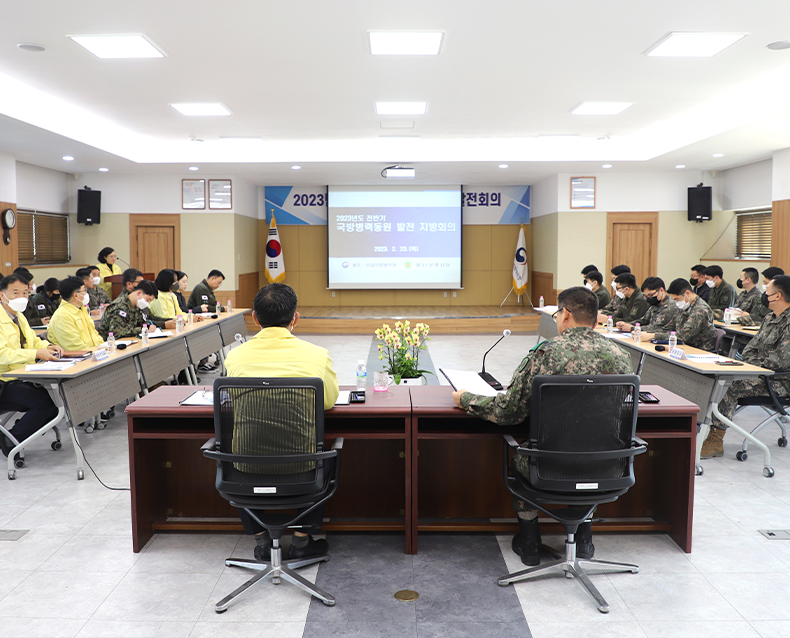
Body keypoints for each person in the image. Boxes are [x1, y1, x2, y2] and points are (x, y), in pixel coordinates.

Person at [452, 286, 632, 566]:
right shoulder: (620, 356)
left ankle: (529, 541)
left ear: (566, 314)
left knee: (523, 457)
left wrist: (466, 399)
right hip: (608, 466)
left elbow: (509, 412)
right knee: (589, 453)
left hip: (548, 465)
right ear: (595, 319)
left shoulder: (545, 353)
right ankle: (584, 539)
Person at [224, 283, 339, 562]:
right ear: (295, 318)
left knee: (228, 450)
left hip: (245, 468)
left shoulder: (234, 356)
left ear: (254, 317)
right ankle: (301, 540)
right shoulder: (316, 354)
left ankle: (261, 541)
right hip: (303, 468)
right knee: (330, 453)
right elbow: (328, 402)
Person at [700, 275, 790, 459]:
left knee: (729, 384)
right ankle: (706, 433)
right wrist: (752, 363)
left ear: (778, 296)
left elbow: (779, 360)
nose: (764, 296)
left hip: (779, 381)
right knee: (718, 379)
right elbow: (750, 348)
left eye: (767, 293)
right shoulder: (770, 318)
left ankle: (716, 441)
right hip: (760, 373)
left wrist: (753, 364)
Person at [0, 274, 61, 457]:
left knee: (57, 401)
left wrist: (49, 347)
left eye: (25, 293)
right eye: (15, 293)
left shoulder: (19, 316)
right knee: (44, 404)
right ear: (2, 295)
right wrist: (36, 354)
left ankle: (16, 436)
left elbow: (33, 341)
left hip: (20, 376)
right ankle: (10, 442)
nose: (21, 297)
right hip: (4, 382)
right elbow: (3, 355)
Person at [640, 278, 718, 351]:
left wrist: (653, 336)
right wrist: (642, 332)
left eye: (677, 299)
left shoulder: (700, 310)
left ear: (687, 293)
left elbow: (683, 336)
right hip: (684, 346)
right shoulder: (685, 306)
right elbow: (668, 328)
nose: (676, 303)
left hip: (699, 350)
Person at [98, 280, 176, 340]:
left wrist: (150, 326)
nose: (147, 303)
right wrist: (143, 329)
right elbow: (116, 333)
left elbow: (143, 322)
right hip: (111, 345)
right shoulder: (119, 307)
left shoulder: (136, 306)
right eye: (147, 299)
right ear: (139, 293)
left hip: (129, 341)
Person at [47, 277, 104, 351]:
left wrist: (103, 347)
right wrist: (98, 351)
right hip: (79, 358)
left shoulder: (82, 310)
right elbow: (76, 347)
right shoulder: (62, 316)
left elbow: (95, 335)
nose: (87, 294)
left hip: (94, 353)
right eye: (84, 290)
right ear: (76, 295)